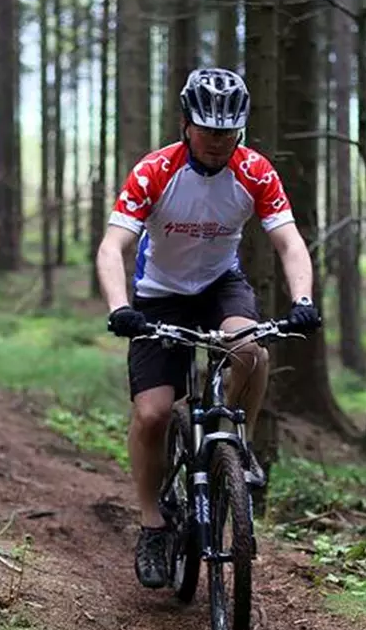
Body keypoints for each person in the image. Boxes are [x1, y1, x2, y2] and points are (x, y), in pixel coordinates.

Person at [95, 67, 322, 590]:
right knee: (152, 413)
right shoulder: (155, 171)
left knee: (252, 349)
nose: (219, 142)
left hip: (222, 285)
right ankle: (153, 523)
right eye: (208, 130)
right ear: (186, 125)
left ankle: (237, 445)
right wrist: (119, 305)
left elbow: (288, 242)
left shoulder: (256, 171)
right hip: (160, 295)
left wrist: (303, 298)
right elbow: (112, 246)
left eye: (229, 132)